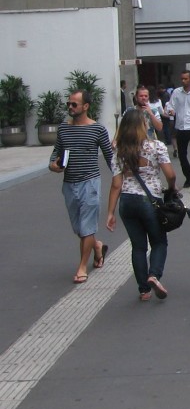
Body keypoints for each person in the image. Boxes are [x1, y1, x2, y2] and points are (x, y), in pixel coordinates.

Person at [105, 109, 179, 301]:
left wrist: (110, 213)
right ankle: (154, 275)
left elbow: (116, 184)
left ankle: (143, 290)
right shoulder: (156, 147)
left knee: (138, 246)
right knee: (159, 241)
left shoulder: (119, 150)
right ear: (142, 126)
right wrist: (171, 188)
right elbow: (170, 174)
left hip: (127, 201)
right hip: (150, 200)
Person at [49, 90, 115, 284]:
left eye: (74, 104)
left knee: (87, 227)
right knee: (79, 228)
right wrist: (53, 165)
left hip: (90, 183)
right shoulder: (63, 128)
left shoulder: (98, 130)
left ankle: (82, 267)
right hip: (69, 184)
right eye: (68, 104)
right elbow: (55, 155)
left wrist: (120, 182)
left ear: (85, 107)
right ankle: (97, 247)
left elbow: (111, 158)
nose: (70, 107)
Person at [167, 70, 190, 194]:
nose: (183, 81)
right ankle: (189, 176)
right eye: (182, 79)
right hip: (181, 127)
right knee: (182, 156)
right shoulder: (176, 92)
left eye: (186, 79)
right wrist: (171, 111)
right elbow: (170, 106)